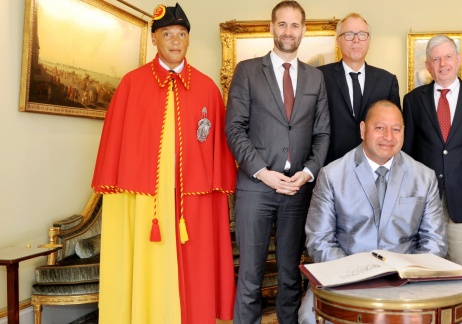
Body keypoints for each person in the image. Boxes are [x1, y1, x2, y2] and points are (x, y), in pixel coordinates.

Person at [92, 3, 236, 323]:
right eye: (167, 34)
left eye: (181, 34)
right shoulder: (132, 84)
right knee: (148, 264)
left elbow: (217, 148)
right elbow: (117, 145)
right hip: (146, 198)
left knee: (195, 267)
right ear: (155, 40)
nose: (175, 40)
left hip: (194, 199)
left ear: (188, 41)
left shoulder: (208, 88)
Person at [225, 1, 330, 323]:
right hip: (255, 189)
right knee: (250, 278)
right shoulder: (247, 70)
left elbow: (323, 134)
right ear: (271, 28)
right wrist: (263, 173)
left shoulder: (316, 79)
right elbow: (234, 128)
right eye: (282, 24)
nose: (288, 31)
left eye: (295, 25)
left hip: (297, 191)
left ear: (303, 30)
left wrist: (307, 173)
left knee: (289, 277)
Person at [299, 100, 447, 323]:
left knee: (459, 314)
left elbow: (435, 241)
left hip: (407, 280)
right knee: (309, 317)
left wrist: (405, 274)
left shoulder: (424, 177)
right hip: (346, 278)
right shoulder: (332, 175)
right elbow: (319, 240)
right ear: (362, 129)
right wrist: (358, 274)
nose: (388, 136)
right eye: (380, 128)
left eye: (396, 129)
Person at [402, 34, 462, 269]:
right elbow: (407, 154)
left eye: (448, 57)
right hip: (423, 197)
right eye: (436, 59)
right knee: (425, 266)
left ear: (459, 59)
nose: (443, 64)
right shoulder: (412, 101)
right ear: (428, 65)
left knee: (461, 268)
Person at [318, 13, 400, 165]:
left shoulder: (387, 80)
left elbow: (395, 128)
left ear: (369, 40)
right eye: (349, 34)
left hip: (375, 166)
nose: (356, 40)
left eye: (362, 34)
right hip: (331, 167)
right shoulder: (319, 77)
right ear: (338, 41)